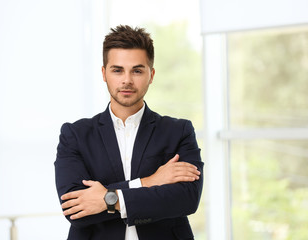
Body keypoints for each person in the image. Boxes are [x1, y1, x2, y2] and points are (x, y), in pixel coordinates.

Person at [55, 25, 204, 240]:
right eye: (117, 70)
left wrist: (106, 199)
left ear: (151, 75)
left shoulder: (179, 131)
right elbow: (75, 209)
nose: (127, 80)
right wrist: (150, 181)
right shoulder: (75, 135)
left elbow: (186, 199)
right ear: (104, 73)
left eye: (137, 70)